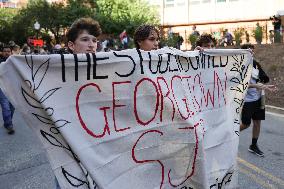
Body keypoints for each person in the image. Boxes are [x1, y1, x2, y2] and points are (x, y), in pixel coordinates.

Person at [240, 44, 277, 157]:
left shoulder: (255, 65)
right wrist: (256, 86)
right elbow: (240, 85)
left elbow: (262, 79)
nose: (252, 53)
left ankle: (253, 145)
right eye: (249, 52)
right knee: (246, 124)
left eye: (253, 52)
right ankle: (229, 135)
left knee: (257, 122)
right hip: (246, 100)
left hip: (258, 98)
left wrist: (266, 86)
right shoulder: (239, 66)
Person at [0, 45, 15, 135]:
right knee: (5, 106)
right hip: (2, 87)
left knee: (12, 106)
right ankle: (9, 124)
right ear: (2, 52)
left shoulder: (15, 62)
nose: (6, 53)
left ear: (11, 52)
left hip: (12, 87)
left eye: (8, 51)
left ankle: (7, 122)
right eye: (5, 51)